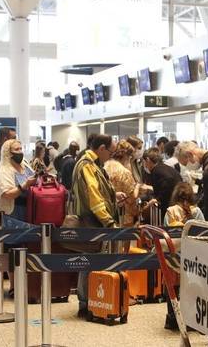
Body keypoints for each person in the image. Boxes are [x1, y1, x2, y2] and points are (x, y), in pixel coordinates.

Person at [69, 134, 122, 317]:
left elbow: (98, 191)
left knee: (90, 260)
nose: (111, 156)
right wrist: (108, 221)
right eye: (111, 152)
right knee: (89, 261)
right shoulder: (87, 165)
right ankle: (86, 303)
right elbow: (93, 197)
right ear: (101, 148)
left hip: (93, 220)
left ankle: (91, 301)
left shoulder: (92, 164)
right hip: (92, 221)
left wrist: (114, 196)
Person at [162, 182, 205, 331]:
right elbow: (203, 233)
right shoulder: (197, 211)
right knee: (193, 286)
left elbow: (166, 235)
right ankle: (192, 318)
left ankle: (172, 318)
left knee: (171, 285)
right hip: (192, 258)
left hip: (173, 257)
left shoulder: (170, 211)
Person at [104, 141, 152, 227]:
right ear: (126, 156)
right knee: (123, 238)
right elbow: (132, 197)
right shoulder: (124, 172)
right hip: (123, 215)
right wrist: (137, 186)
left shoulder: (105, 166)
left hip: (108, 211)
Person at [0, 139, 36, 222]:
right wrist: (25, 185)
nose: (20, 152)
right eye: (16, 149)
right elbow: (7, 194)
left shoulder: (25, 164)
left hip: (29, 207)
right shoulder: (3, 171)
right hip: (12, 212)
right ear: (8, 153)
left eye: (21, 149)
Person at [142, 148, 182, 219]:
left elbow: (168, 182)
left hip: (170, 205)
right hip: (178, 202)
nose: (144, 165)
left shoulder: (156, 171)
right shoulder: (166, 168)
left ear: (147, 160)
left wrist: (158, 199)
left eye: (144, 162)